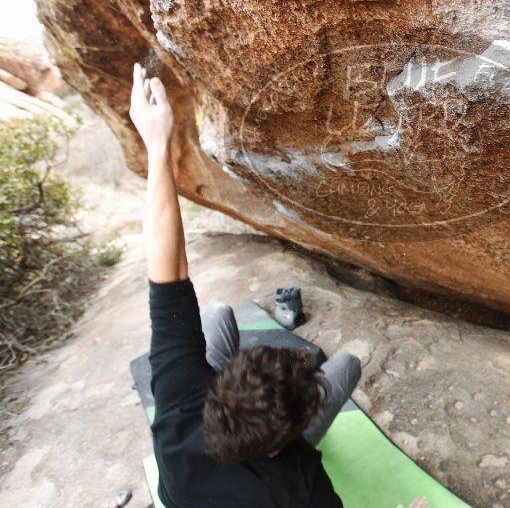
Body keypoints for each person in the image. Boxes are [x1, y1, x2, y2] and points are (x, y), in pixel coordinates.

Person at [130, 62, 361, 507]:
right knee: (347, 364)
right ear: (281, 444)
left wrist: (157, 143)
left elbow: (167, 275)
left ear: (218, 388)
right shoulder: (297, 481)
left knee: (216, 314)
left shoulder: (179, 410)